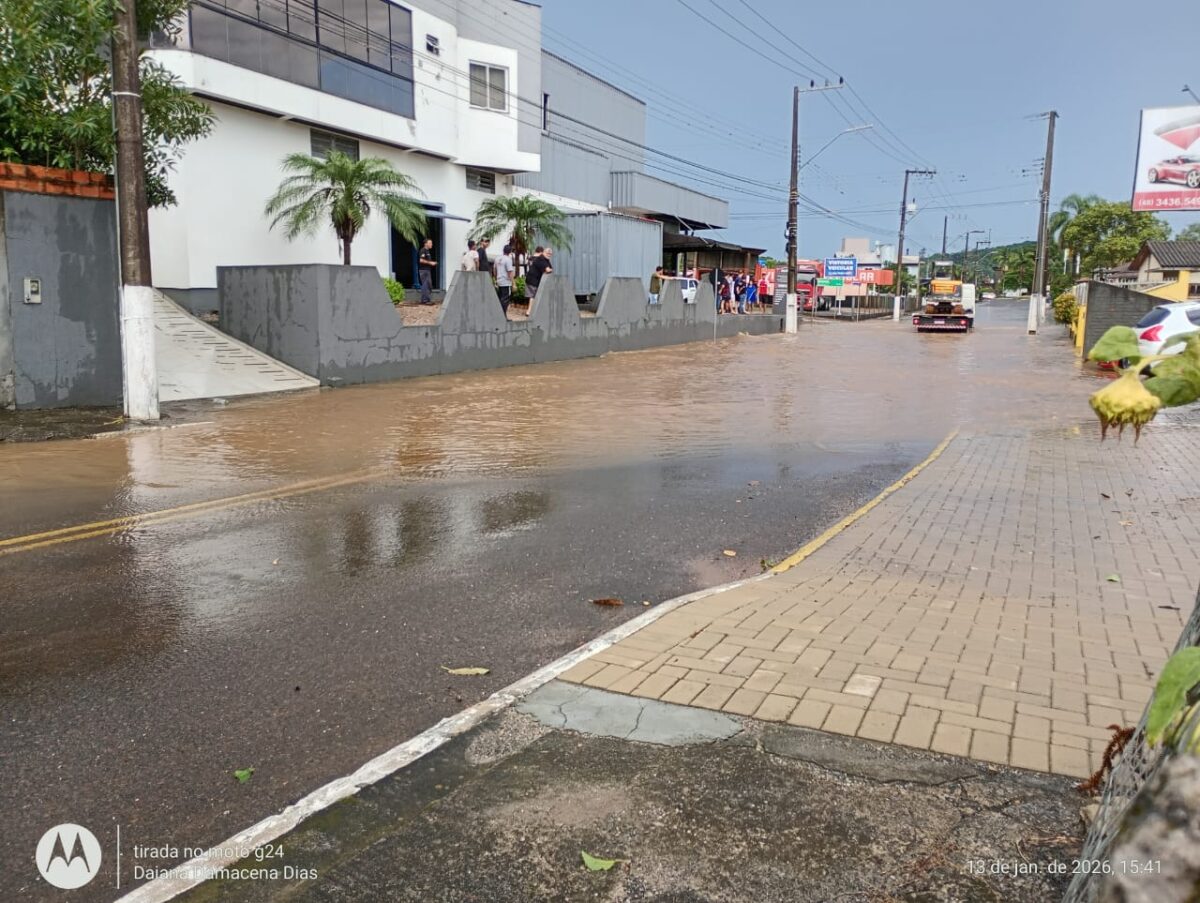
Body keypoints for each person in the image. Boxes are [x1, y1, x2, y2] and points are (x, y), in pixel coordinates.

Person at [495, 243, 515, 313]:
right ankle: (503, 316)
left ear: (503, 250)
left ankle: (499, 315)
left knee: (500, 298)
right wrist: (514, 284)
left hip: (499, 281)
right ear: (510, 252)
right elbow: (510, 272)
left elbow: (495, 270)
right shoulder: (508, 259)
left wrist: (496, 279)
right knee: (505, 300)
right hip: (505, 282)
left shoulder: (497, 258)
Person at [418, 239, 437, 304]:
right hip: (424, 270)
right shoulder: (423, 250)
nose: (431, 244)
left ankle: (425, 299)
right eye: (430, 243)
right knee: (425, 285)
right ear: (426, 244)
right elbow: (421, 260)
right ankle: (425, 300)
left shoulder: (427, 251)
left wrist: (431, 262)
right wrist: (431, 263)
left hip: (427, 270)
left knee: (428, 285)